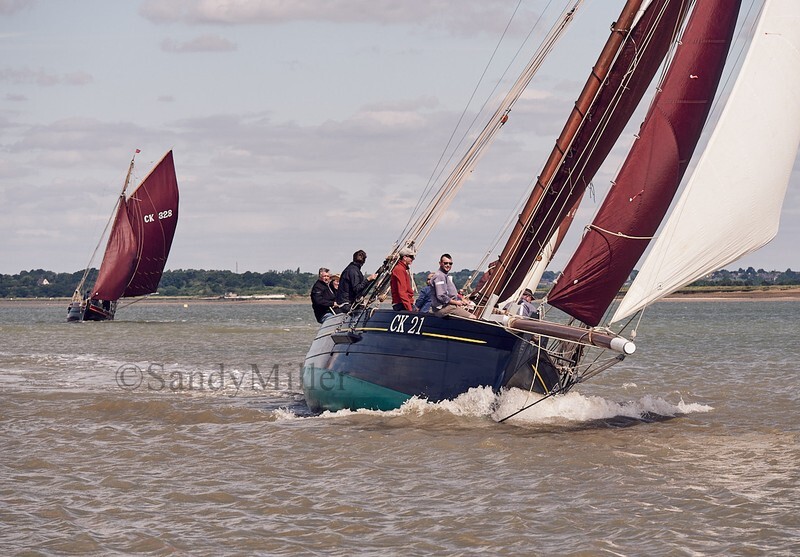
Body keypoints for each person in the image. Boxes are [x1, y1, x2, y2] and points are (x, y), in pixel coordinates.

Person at [431, 253, 475, 319]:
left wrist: (463, 300)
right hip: (444, 308)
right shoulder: (440, 276)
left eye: (450, 263)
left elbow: (451, 293)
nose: (448, 265)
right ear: (440, 263)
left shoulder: (445, 275)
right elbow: (441, 296)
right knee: (473, 317)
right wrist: (456, 302)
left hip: (450, 306)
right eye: (445, 263)